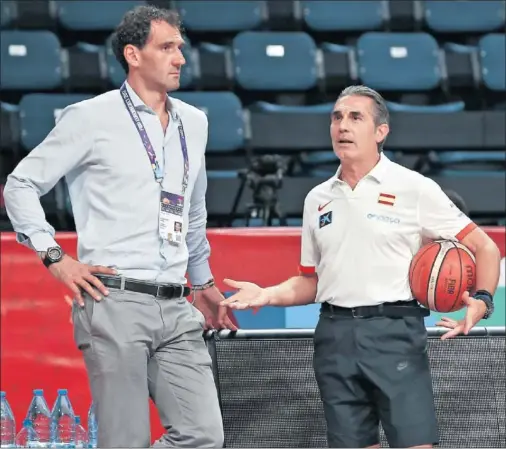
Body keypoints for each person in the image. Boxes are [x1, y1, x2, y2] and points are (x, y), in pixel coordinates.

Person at [4, 5, 237, 448]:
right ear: (133, 54)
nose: (180, 58)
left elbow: (192, 213)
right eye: (166, 47)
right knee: (125, 440)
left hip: (177, 302)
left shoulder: (196, 122)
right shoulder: (90, 117)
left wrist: (203, 281)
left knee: (203, 435)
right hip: (113, 299)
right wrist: (56, 258)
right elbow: (20, 184)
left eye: (180, 48)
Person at [222, 85, 501, 448]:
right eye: (337, 117)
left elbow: (485, 246)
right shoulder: (317, 199)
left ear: (381, 131)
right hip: (335, 336)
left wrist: (482, 300)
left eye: (356, 117)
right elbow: (313, 282)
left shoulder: (413, 187)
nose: (343, 126)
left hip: (395, 334)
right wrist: (267, 294)